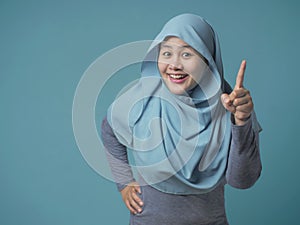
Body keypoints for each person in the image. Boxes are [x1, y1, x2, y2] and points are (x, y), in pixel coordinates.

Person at [101, 13, 262, 225]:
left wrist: (241, 123)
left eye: (187, 55)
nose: (174, 65)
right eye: (166, 53)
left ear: (207, 59)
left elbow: (242, 181)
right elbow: (109, 130)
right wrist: (124, 182)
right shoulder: (142, 98)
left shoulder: (232, 106)